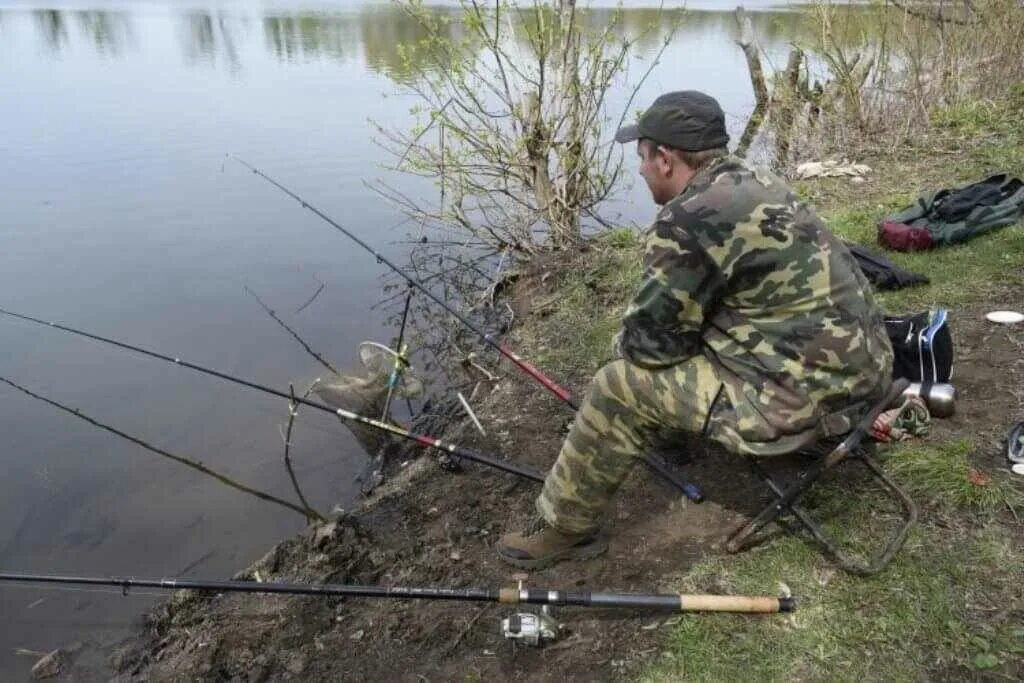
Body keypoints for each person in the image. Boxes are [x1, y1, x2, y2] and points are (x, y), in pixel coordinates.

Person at [496, 90, 894, 569]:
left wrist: (631, 344)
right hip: (870, 374)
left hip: (802, 407)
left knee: (616, 384)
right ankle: (673, 430)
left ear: (666, 159)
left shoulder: (687, 219)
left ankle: (563, 527)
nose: (640, 170)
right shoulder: (756, 179)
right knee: (686, 335)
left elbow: (647, 346)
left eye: (642, 157)